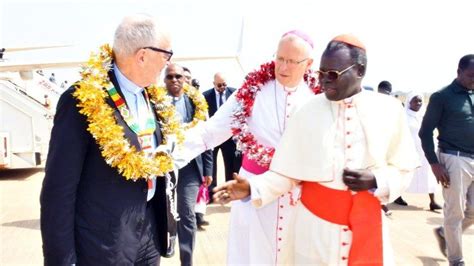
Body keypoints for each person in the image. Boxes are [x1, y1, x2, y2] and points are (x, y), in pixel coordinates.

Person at [214, 34, 419, 265]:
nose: (324, 82)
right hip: (314, 230)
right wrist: (253, 187)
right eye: (321, 74)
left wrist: (377, 179)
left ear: (360, 71)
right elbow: (286, 172)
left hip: (367, 224)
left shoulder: (388, 110)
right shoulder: (306, 111)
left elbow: (404, 168)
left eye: (333, 75)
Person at [40, 14, 178, 265]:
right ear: (143, 55)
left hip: (149, 233)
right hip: (102, 243)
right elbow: (58, 189)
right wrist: (61, 259)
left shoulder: (154, 98)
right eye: (166, 54)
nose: (168, 63)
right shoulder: (82, 100)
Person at [185, 30, 318, 264]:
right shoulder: (253, 90)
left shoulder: (318, 98)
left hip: (299, 197)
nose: (283, 67)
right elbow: (211, 131)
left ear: (308, 64)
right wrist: (166, 154)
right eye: (279, 58)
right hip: (251, 193)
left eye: (292, 61)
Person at [419, 54, 474, 266]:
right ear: (458, 71)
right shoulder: (442, 97)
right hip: (454, 159)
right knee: (455, 212)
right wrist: (434, 163)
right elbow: (425, 132)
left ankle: (444, 233)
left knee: (472, 212)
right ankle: (456, 260)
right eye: (470, 75)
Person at [164, 63, 213, 265]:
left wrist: (208, 169)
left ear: (185, 79)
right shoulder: (154, 103)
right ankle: (169, 242)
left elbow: (206, 136)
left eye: (179, 76)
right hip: (163, 169)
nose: (175, 80)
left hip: (190, 169)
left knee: (186, 214)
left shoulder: (196, 104)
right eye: (170, 77)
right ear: (164, 80)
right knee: (166, 213)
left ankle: (187, 260)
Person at [202, 73, 241, 195]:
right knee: (211, 164)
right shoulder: (205, 96)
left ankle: (228, 191)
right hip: (213, 136)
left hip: (229, 136)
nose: (222, 87)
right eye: (219, 85)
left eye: (224, 84)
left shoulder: (234, 93)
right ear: (213, 84)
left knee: (230, 164)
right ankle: (211, 192)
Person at [404, 92, 442, 210]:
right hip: (409, 150)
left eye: (420, 101)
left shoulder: (425, 115)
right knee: (405, 174)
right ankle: (397, 196)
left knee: (428, 174)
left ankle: (432, 201)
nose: (418, 103)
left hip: (425, 150)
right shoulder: (403, 116)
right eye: (415, 101)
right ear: (409, 102)